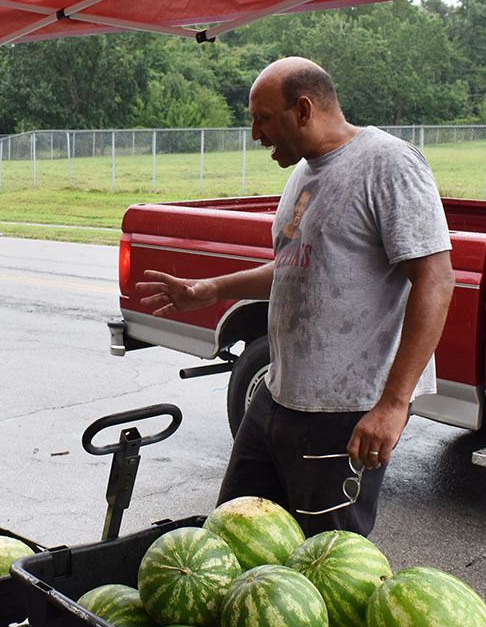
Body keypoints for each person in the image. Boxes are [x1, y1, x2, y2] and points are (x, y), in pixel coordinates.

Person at [136, 57, 453, 536]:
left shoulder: (388, 163)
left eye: (262, 118)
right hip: (278, 395)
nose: (254, 133)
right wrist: (212, 290)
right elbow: (297, 267)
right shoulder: (304, 171)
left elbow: (436, 279)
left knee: (323, 562)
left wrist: (393, 405)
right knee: (234, 534)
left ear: (303, 109)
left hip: (342, 411)